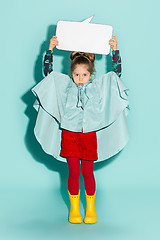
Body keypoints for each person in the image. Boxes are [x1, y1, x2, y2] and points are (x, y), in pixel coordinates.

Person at [32, 35, 129, 224]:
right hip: (69, 137)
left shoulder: (98, 87)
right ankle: (75, 208)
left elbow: (116, 76)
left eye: (84, 75)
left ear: (91, 75)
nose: (80, 79)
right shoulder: (65, 86)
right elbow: (48, 73)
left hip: (88, 137)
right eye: (77, 75)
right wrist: (50, 49)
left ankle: (91, 209)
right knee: (73, 172)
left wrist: (114, 51)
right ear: (71, 74)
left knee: (88, 172)